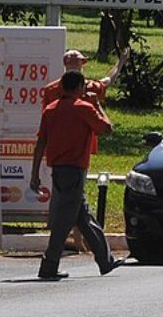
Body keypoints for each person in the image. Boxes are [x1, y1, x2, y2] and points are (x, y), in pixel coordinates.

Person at [29, 70, 125, 280]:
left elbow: (40, 143)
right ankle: (49, 265)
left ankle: (105, 260)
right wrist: (98, 105)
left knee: (84, 218)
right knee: (65, 221)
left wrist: (34, 174)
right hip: (75, 171)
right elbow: (107, 128)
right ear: (81, 88)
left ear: (62, 87)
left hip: (59, 171)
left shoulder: (50, 110)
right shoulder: (85, 109)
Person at [42, 48, 127, 106]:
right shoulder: (90, 87)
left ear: (65, 64)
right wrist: (121, 62)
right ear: (81, 64)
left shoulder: (50, 89)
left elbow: (45, 118)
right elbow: (109, 80)